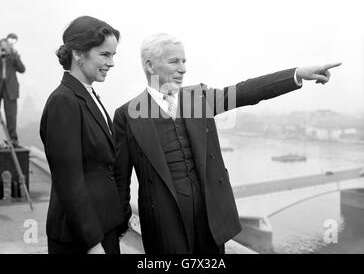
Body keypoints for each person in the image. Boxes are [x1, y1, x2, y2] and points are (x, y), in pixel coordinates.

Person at [113, 33, 341, 254]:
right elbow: (120, 179)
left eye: (184, 61)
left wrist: (296, 74)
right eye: (174, 61)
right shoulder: (128, 115)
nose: (183, 68)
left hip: (210, 223)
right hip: (163, 227)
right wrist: (120, 225)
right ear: (150, 66)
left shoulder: (198, 99)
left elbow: (246, 91)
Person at [40, 16, 130, 254]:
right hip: (80, 239)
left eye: (113, 55)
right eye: (104, 54)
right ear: (78, 54)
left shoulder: (86, 95)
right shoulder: (63, 101)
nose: (111, 63)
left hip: (102, 226)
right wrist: (92, 243)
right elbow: (69, 182)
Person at [0, 36, 25, 147]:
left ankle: (13, 140)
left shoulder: (13, 56)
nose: (4, 50)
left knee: (11, 115)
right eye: (2, 47)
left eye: (6, 47)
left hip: (10, 89)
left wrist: (14, 54)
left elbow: (22, 69)